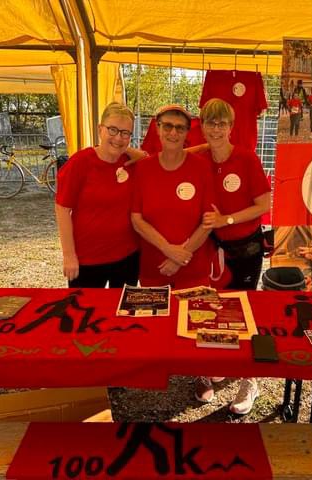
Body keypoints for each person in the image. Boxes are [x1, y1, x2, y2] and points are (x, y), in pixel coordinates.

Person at [196, 98, 271, 415]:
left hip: (245, 247)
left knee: (244, 312)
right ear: (202, 126)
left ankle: (249, 380)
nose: (216, 128)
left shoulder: (246, 158)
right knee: (211, 308)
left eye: (221, 122)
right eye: (210, 122)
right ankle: (213, 365)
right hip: (211, 248)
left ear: (231, 126)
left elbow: (264, 204)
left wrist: (227, 220)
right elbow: (165, 158)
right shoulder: (199, 157)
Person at [55, 102, 140, 288]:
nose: (118, 137)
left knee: (122, 313)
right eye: (112, 130)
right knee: (85, 313)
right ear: (100, 129)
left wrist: (129, 150)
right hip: (87, 259)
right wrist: (69, 255)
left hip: (127, 257)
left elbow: (152, 159)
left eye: (125, 133)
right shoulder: (80, 163)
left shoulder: (131, 162)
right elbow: (62, 209)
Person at [131, 104, 214, 289]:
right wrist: (168, 249)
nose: (173, 133)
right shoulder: (143, 168)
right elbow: (137, 220)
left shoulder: (201, 168)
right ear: (157, 128)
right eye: (167, 126)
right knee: (155, 319)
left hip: (194, 270)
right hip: (154, 270)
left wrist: (180, 257)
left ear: (187, 133)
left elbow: (208, 222)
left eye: (180, 127)